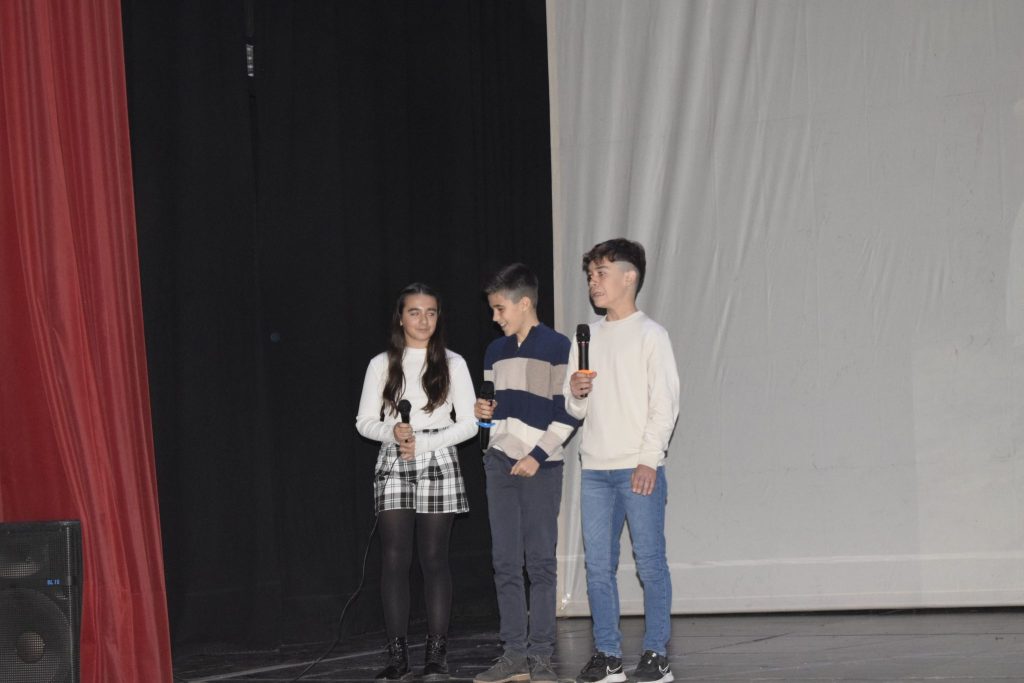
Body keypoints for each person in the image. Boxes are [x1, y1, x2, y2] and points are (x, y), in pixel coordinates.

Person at [564, 239, 680, 683]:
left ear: (630, 277)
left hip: (637, 466)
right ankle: (608, 655)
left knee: (649, 562)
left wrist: (649, 459)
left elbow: (664, 403)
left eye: (602, 273)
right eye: (590, 275)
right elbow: (575, 409)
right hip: (595, 468)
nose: (593, 282)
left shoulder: (652, 335)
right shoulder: (586, 338)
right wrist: (575, 393)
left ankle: (656, 654)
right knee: (598, 567)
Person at [356, 283, 477, 682]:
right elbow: (364, 421)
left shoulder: (453, 363)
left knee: (434, 558)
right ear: (400, 318)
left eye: (431, 312)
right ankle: (397, 656)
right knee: (394, 558)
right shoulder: (381, 364)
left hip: (437, 457)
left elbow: (470, 423)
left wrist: (425, 443)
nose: (423, 320)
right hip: (395, 458)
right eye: (414, 312)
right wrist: (392, 433)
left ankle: (436, 655)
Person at [472, 264, 578, 683]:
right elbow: (490, 415)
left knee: (540, 563)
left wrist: (537, 455)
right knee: (504, 563)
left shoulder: (557, 346)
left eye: (500, 309)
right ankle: (513, 653)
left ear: (525, 303)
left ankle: (541, 656)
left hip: (541, 466)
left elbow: (567, 413)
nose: (495, 317)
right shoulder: (494, 351)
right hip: (499, 462)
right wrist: (483, 416)